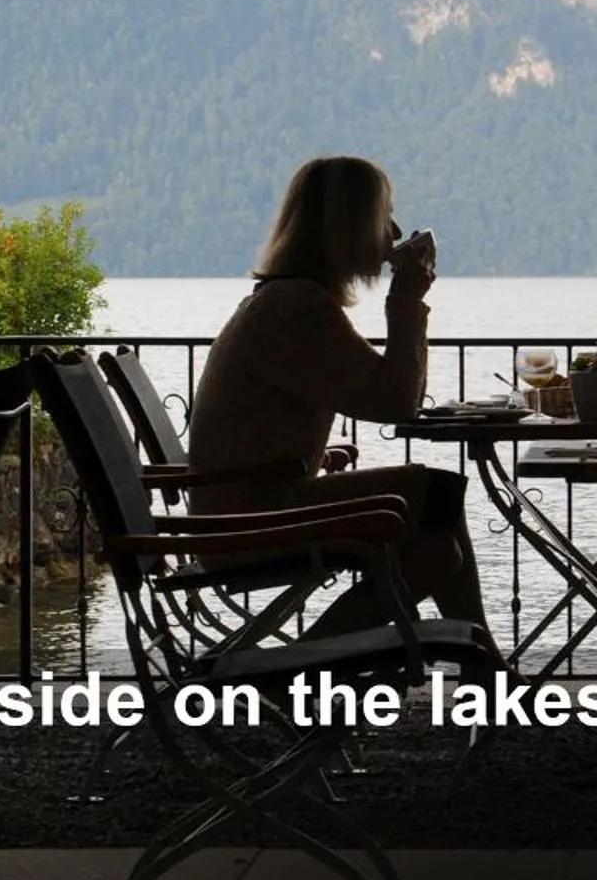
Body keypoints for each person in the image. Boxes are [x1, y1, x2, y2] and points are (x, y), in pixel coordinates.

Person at [184, 155, 490, 639]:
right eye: (381, 216)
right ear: (348, 227)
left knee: (436, 546)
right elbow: (396, 402)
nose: (393, 230)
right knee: (436, 494)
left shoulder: (283, 300)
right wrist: (405, 300)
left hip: (244, 507)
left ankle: (480, 664)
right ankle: (304, 670)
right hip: (248, 523)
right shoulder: (295, 311)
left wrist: (314, 455)